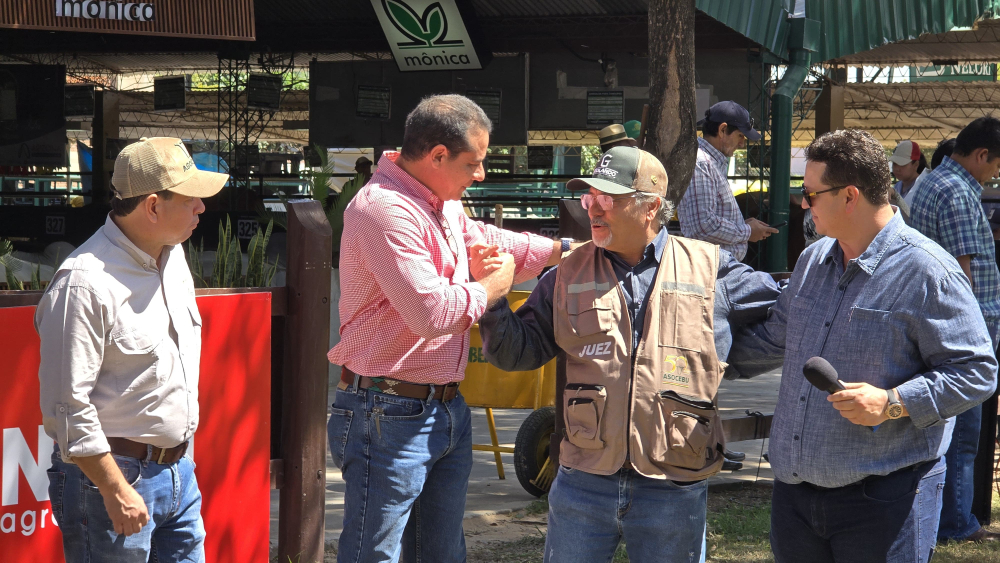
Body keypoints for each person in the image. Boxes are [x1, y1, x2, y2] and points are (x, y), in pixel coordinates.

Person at [478, 146, 782, 562]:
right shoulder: (566, 273)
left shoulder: (710, 268)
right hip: (583, 481)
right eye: (589, 199)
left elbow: (787, 318)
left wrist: (728, 357)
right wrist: (492, 300)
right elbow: (517, 353)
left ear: (651, 207)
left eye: (608, 199)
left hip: (673, 483)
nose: (594, 211)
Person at [729, 129, 997, 561]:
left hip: (886, 502)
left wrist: (894, 401)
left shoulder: (928, 271)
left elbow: (977, 372)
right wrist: (691, 358)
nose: (803, 202)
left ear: (850, 196)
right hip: (795, 499)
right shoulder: (813, 261)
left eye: (811, 194)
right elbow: (774, 338)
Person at [326, 94, 568, 562]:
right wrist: (493, 286)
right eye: (473, 163)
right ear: (437, 155)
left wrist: (568, 250)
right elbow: (432, 315)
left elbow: (494, 240)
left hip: (437, 407)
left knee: (439, 553)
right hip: (387, 409)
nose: (481, 174)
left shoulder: (441, 204)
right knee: (374, 553)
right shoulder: (384, 210)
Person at [36, 137, 227, 562]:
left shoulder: (172, 257)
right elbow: (66, 406)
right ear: (154, 207)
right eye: (191, 197)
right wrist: (115, 488)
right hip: (111, 480)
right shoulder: (83, 283)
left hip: (177, 472)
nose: (201, 208)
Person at [910, 117, 1000, 544]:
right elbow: (961, 273)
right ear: (982, 155)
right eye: (996, 164)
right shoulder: (960, 193)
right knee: (964, 439)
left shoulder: (932, 182)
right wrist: (975, 339)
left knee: (946, 432)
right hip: (965, 334)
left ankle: (946, 515)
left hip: (936, 329)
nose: (996, 173)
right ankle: (957, 523)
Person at [679, 100, 777, 260]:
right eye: (740, 136)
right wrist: (747, 231)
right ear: (723, 130)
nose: (742, 143)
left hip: (715, 267)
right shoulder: (702, 163)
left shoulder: (708, 162)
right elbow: (703, 225)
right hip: (710, 270)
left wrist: (740, 225)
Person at [890, 140, 929, 206]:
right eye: (895, 163)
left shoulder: (924, 187)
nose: (897, 169)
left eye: (902, 164)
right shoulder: (897, 186)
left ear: (916, 165)